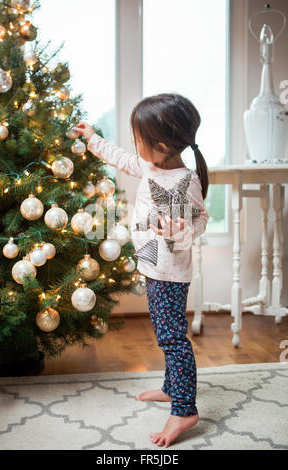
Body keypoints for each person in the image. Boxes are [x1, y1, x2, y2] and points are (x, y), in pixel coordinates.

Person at [75, 93, 209, 448]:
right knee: (166, 334)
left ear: (162, 146)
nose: (135, 147)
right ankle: (171, 388)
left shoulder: (187, 180)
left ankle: (184, 409)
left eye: (139, 140)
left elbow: (200, 221)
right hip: (153, 268)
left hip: (170, 274)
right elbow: (120, 158)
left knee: (172, 339)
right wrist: (92, 138)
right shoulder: (149, 166)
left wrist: (179, 230)